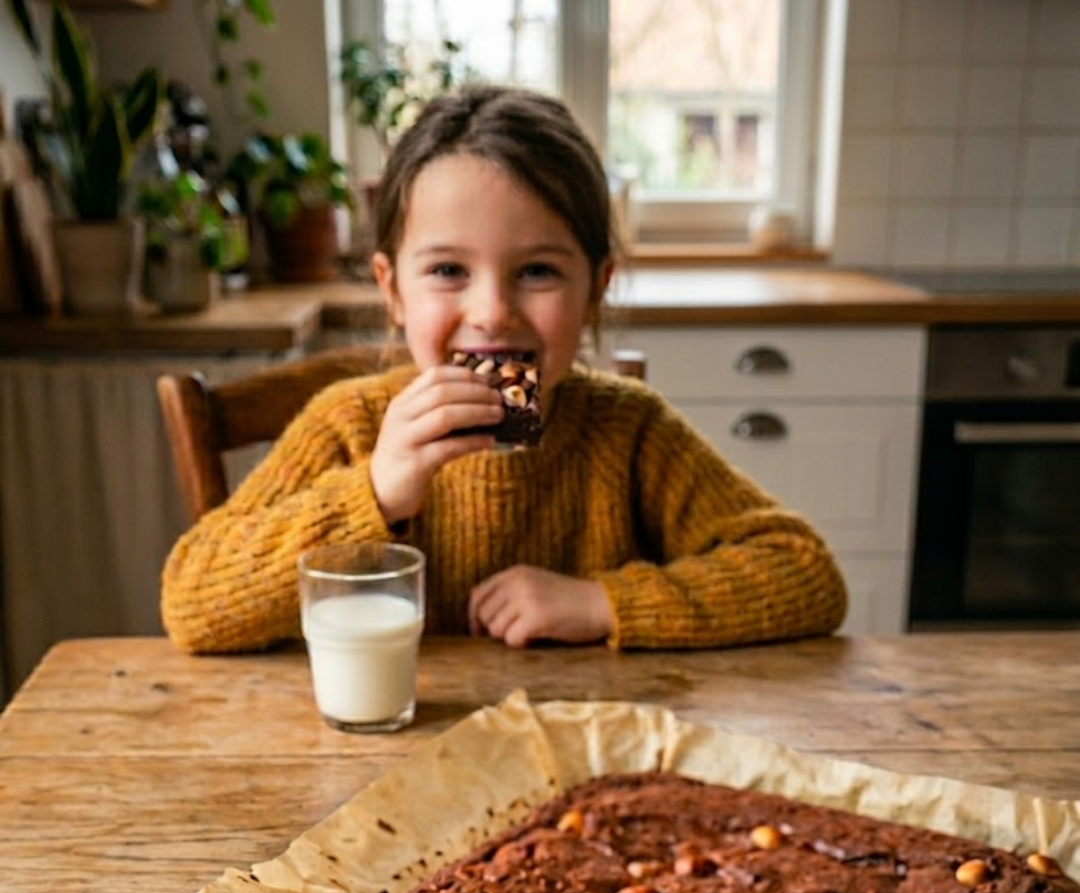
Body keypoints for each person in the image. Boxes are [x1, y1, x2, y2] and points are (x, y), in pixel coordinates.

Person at [161, 84, 847, 653]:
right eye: (448, 270)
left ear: (595, 290)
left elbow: (805, 571)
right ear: (393, 289)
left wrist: (604, 603)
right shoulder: (350, 425)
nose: (492, 312)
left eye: (538, 271)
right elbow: (192, 601)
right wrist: (374, 492)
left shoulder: (628, 432)